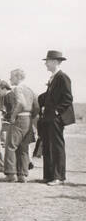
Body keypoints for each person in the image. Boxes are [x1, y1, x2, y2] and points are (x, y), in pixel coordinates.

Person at [38, 50, 75, 186]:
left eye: (47, 61)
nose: (45, 64)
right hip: (48, 117)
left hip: (55, 118)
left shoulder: (62, 77)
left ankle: (59, 177)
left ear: (54, 62)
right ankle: (49, 176)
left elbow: (68, 98)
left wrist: (57, 112)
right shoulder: (54, 77)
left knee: (57, 147)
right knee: (47, 145)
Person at [2, 69, 39, 183]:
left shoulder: (18, 88)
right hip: (28, 119)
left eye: (11, 76)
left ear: (18, 77)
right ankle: (22, 174)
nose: (10, 79)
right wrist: (30, 117)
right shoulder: (30, 89)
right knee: (23, 148)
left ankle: (11, 174)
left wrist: (13, 116)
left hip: (19, 119)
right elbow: (37, 107)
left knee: (10, 146)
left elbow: (21, 103)